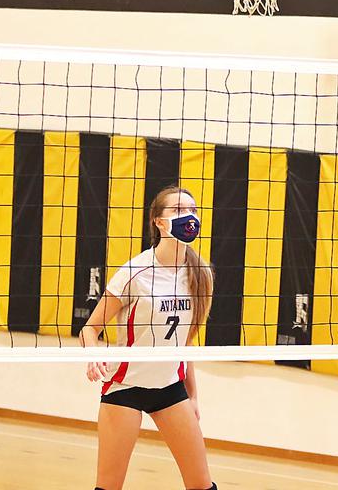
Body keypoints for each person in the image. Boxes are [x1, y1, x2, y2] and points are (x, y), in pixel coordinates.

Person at [81, 186, 218, 490]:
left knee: (202, 486)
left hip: (170, 388)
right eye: (178, 211)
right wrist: (93, 355)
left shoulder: (200, 273)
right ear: (158, 221)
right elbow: (90, 328)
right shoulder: (135, 272)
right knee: (109, 486)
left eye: (192, 211)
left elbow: (186, 342)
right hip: (126, 387)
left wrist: (193, 395)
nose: (188, 217)